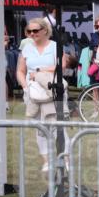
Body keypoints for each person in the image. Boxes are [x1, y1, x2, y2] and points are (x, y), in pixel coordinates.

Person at [15, 17, 57, 172]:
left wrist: (38, 72)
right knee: (39, 127)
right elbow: (20, 71)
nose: (32, 34)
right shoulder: (26, 48)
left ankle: (65, 158)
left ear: (45, 30)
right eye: (29, 31)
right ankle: (46, 161)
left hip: (51, 91)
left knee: (57, 126)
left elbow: (61, 66)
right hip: (32, 93)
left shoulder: (55, 46)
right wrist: (25, 87)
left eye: (35, 30)